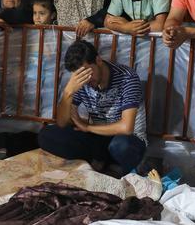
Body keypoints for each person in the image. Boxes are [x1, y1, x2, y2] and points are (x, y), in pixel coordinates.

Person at [38, 40, 147, 176]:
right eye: (81, 76)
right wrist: (68, 93)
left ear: (98, 60)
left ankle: (111, 166)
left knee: (121, 146)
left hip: (128, 138)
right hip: (99, 137)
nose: (87, 80)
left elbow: (127, 128)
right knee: (47, 135)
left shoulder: (127, 78)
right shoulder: (82, 80)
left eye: (88, 73)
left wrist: (87, 127)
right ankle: (98, 162)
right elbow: (61, 122)